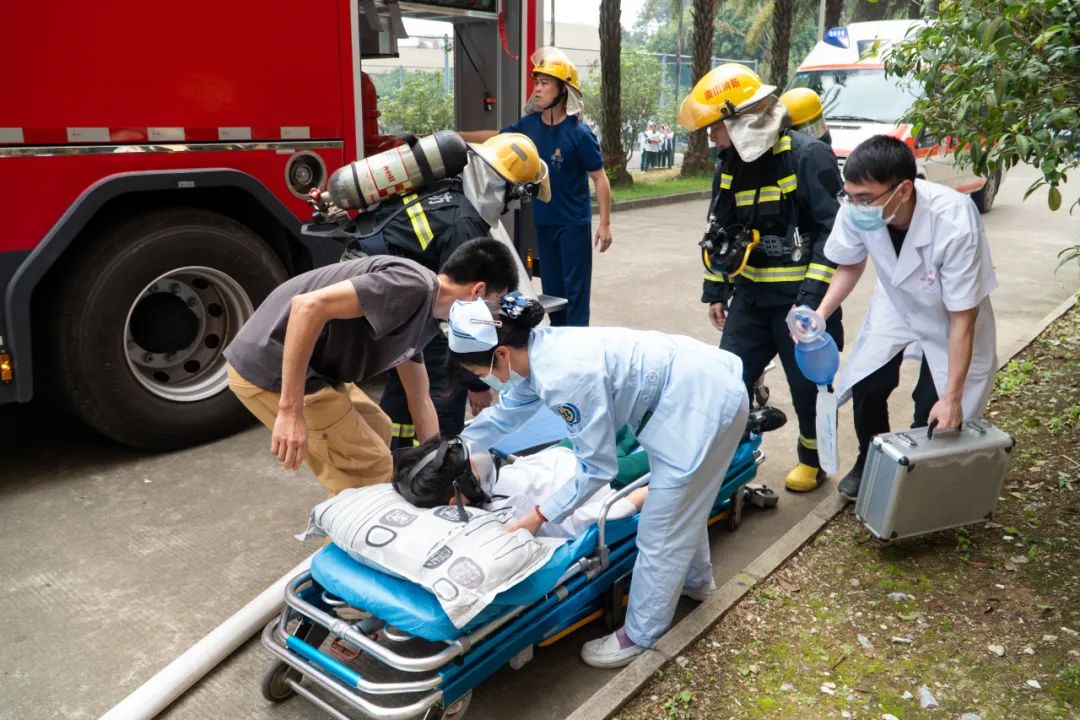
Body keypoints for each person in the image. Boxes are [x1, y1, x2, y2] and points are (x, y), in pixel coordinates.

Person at [446, 294, 748, 668]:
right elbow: (505, 415)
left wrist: (540, 515)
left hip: (697, 406)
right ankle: (696, 582)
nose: (484, 380)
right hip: (689, 386)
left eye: (480, 372)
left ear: (502, 354)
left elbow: (597, 468)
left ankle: (641, 635)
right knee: (684, 504)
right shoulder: (542, 352)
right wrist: (454, 448)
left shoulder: (564, 377)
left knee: (659, 533)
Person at [223, 238, 519, 496]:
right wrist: (290, 412)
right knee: (370, 470)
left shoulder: (428, 317)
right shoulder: (410, 285)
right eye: (496, 302)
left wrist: (438, 463)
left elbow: (420, 399)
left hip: (319, 374)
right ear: (478, 291)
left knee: (379, 429)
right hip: (268, 367)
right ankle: (354, 549)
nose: (493, 314)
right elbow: (306, 307)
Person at [677, 63, 845, 493]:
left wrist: (810, 300)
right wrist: (717, 288)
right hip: (751, 300)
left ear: (743, 122)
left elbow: (835, 233)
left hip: (800, 305)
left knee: (809, 388)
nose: (712, 138)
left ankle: (814, 459)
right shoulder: (729, 164)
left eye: (716, 128)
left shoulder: (806, 156)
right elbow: (718, 229)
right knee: (727, 383)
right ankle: (721, 461)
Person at [813, 135, 999, 500]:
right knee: (868, 382)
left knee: (934, 409)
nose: (855, 205)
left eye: (865, 198)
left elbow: (963, 318)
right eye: (849, 195)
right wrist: (821, 313)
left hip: (951, 313)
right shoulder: (856, 206)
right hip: (896, 300)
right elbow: (849, 263)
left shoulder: (955, 219)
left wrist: (953, 397)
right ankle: (870, 457)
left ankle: (909, 473)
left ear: (903, 190)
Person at [339, 133, 551, 449]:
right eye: (515, 195)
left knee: (406, 384)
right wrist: (477, 383)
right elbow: (463, 316)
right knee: (443, 389)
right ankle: (438, 464)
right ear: (506, 188)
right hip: (387, 300)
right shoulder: (464, 224)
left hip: (377, 293)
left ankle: (394, 455)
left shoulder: (447, 194)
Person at [461, 47, 613, 327]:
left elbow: (600, 179)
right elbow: (496, 137)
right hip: (544, 223)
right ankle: (558, 341)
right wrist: (459, 137)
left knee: (576, 293)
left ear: (563, 90)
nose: (537, 89)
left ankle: (579, 345)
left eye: (545, 83)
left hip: (573, 225)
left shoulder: (580, 133)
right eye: (536, 83)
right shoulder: (529, 125)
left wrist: (604, 224)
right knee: (553, 292)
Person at [391, 434, 649, 540]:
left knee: (625, 418)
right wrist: (640, 496)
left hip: (563, 452)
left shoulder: (478, 488)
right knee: (660, 446)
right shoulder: (509, 517)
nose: (482, 464)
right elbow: (578, 520)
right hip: (597, 479)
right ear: (456, 501)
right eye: (473, 469)